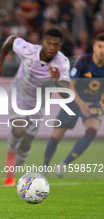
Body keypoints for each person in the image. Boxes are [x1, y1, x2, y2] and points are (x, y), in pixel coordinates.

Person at [0, 28, 70, 186]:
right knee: (18, 129)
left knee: (27, 140)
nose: (51, 47)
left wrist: (56, 81)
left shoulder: (62, 63)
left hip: (39, 102)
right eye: (49, 43)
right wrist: (0, 61)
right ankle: (10, 174)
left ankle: (15, 166)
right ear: (42, 43)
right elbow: (11, 39)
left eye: (56, 45)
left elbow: (66, 94)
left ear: (60, 46)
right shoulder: (28, 50)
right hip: (19, 95)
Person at [43, 33, 104, 177]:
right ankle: (44, 167)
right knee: (56, 136)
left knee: (92, 131)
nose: (102, 50)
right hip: (73, 100)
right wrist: (81, 104)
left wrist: (100, 103)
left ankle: (63, 165)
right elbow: (71, 85)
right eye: (100, 46)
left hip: (93, 102)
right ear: (94, 47)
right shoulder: (84, 61)